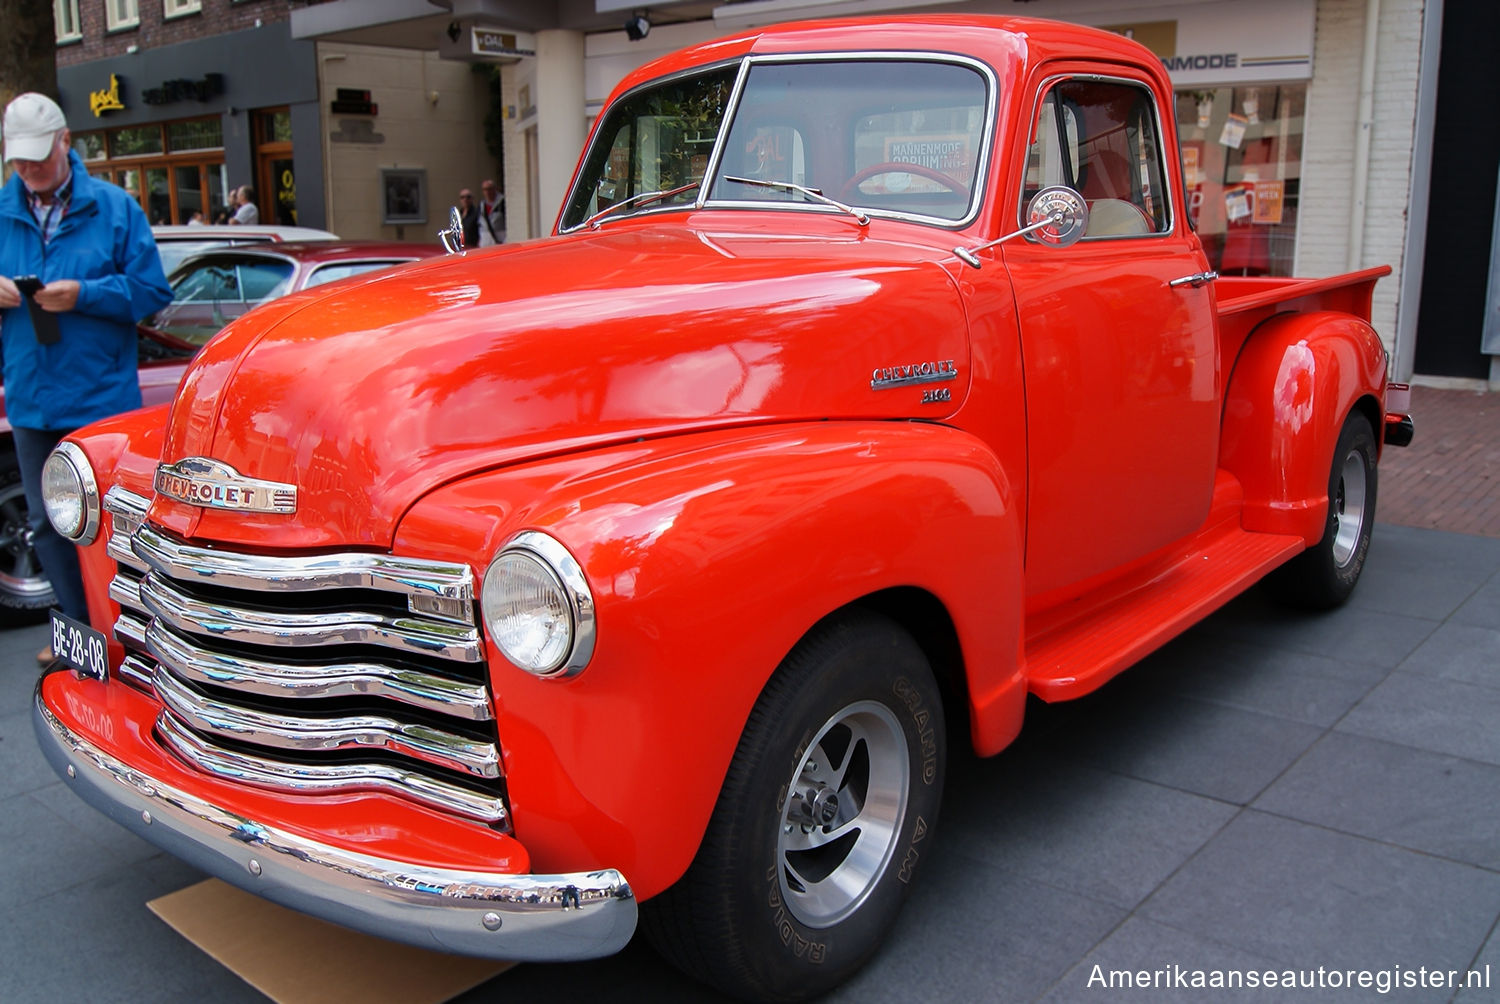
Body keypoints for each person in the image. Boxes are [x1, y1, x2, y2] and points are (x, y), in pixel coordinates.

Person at [0, 93, 172, 662]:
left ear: (66, 142)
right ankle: (77, 633)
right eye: (18, 160)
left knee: (110, 527)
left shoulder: (115, 208)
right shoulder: (3, 210)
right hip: (31, 396)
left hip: (99, 397)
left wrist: (85, 295)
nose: (27, 171)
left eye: (38, 159)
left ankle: (124, 635)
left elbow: (151, 293)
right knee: (51, 525)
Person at [477, 179, 505, 246]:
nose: (487, 192)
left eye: (489, 189)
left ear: (495, 189)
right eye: (485, 189)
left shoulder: (502, 203)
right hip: (485, 239)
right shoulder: (481, 205)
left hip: (500, 239)